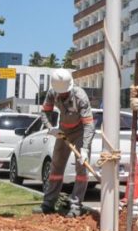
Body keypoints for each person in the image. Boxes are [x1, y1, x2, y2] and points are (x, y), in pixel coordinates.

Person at [34, 68, 95, 217]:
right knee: (56, 168)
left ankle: (75, 206)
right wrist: (50, 128)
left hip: (80, 132)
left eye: (64, 92)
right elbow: (44, 112)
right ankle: (48, 203)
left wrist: (85, 148)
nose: (62, 94)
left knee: (82, 170)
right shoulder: (52, 92)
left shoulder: (80, 96)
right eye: (60, 92)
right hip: (62, 132)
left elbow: (89, 124)